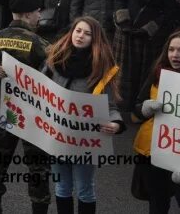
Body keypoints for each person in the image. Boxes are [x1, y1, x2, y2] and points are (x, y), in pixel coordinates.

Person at [0, 0, 52, 214]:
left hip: (6, 110)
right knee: (38, 168)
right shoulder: (40, 44)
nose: (40, 15)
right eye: (38, 11)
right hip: (34, 114)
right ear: (28, 14)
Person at [42, 17, 125, 214]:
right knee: (62, 187)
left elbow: (110, 105)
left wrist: (116, 124)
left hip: (85, 140)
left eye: (87, 33)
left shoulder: (102, 69)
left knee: (85, 189)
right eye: (78, 31)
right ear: (71, 32)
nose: (80, 36)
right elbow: (37, 88)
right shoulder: (54, 59)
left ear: (95, 39)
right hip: (58, 135)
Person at [115, 0, 177, 113]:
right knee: (121, 70)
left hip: (145, 37)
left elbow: (168, 13)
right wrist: (123, 20)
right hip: (125, 31)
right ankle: (117, 104)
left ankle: (136, 107)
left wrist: (148, 29)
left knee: (140, 72)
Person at [133, 29, 180, 213]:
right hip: (152, 150)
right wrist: (145, 108)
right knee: (157, 201)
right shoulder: (157, 74)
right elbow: (137, 107)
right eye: (171, 49)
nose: (175, 55)